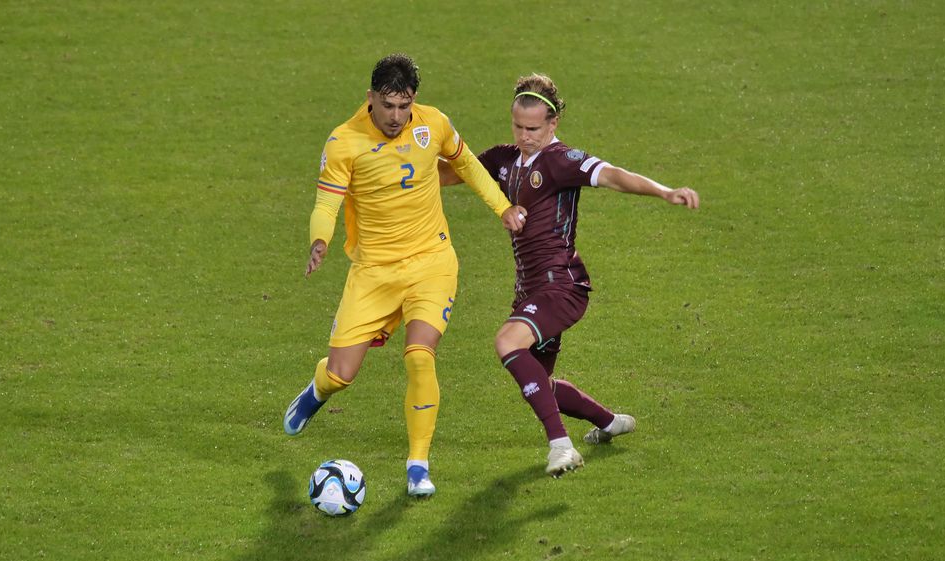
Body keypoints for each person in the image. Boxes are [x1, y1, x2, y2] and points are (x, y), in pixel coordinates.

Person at [284, 54, 526, 497]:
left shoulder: (433, 123)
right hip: (373, 272)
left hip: (432, 262)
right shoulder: (344, 142)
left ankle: (418, 465)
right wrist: (320, 240)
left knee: (419, 354)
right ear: (370, 98)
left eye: (404, 105)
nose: (397, 116)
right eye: (388, 105)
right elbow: (326, 203)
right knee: (341, 374)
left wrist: (503, 207)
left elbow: (468, 164)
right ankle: (317, 391)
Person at [439, 73, 700, 477]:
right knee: (539, 385)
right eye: (518, 127)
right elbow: (452, 172)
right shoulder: (504, 160)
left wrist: (665, 191)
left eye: (533, 129)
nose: (524, 136)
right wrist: (397, 160)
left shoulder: (561, 161)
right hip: (529, 289)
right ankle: (609, 422)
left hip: (561, 286)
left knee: (507, 342)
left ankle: (561, 447)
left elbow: (613, 175)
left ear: (553, 123)